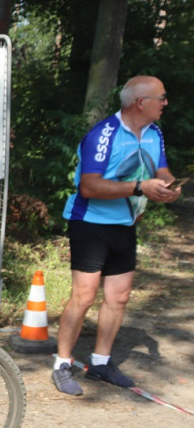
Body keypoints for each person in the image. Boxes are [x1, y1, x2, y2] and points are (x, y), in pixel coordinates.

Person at [52, 76, 182, 396]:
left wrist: (169, 186)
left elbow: (161, 169)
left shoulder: (154, 132)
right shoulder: (102, 135)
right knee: (84, 296)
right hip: (90, 223)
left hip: (125, 224)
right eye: (161, 98)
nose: (165, 103)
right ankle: (62, 364)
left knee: (119, 297)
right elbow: (89, 186)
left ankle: (100, 362)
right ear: (140, 102)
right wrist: (141, 187)